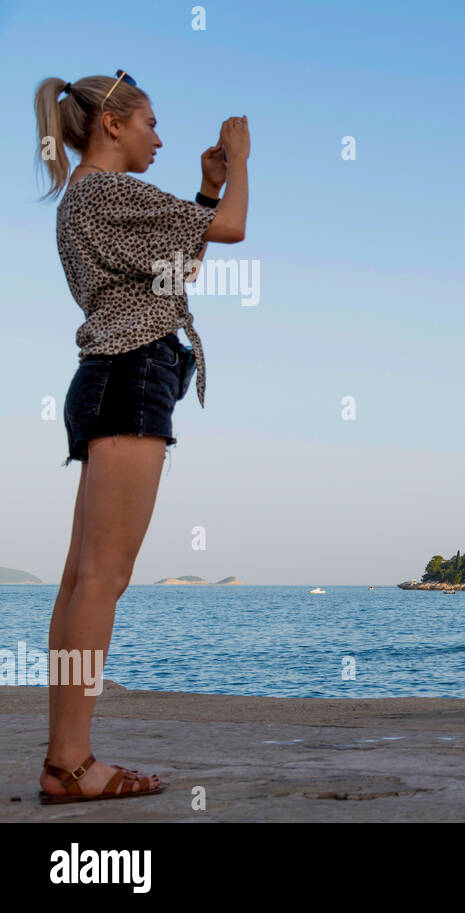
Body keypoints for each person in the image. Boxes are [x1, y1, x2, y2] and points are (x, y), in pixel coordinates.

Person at [32, 71, 250, 802]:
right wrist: (239, 164)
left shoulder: (86, 200)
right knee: (102, 580)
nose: (160, 137)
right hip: (131, 377)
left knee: (80, 581)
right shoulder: (109, 191)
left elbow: (175, 271)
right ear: (112, 124)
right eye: (151, 123)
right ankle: (70, 762)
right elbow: (231, 233)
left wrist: (205, 190)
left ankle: (66, 757)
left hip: (108, 375)